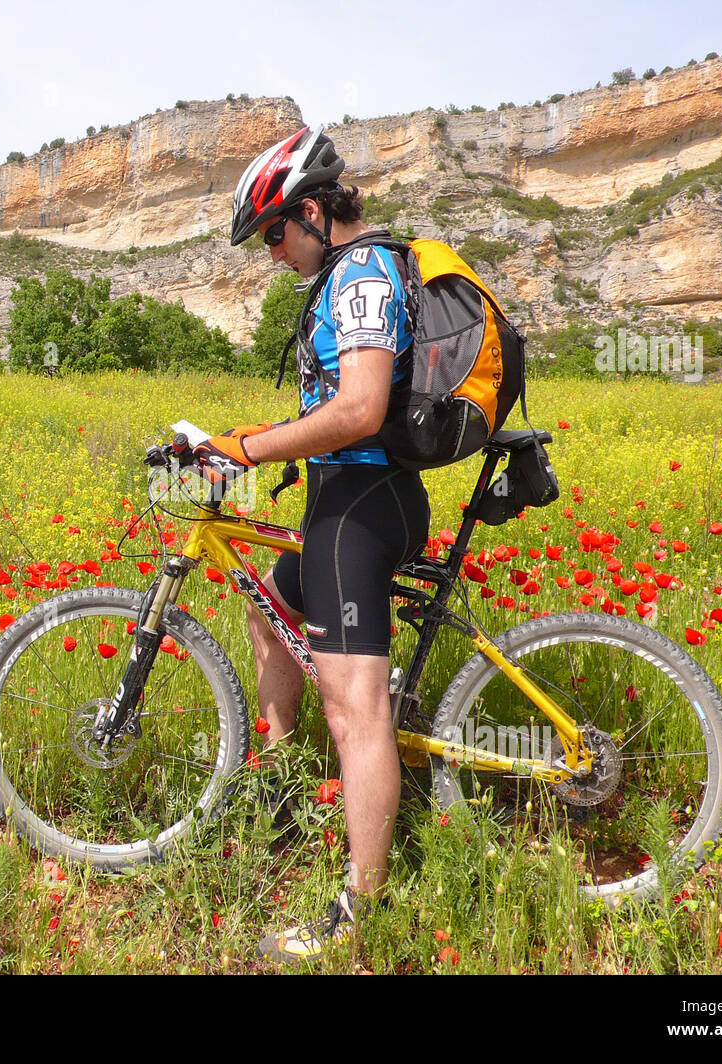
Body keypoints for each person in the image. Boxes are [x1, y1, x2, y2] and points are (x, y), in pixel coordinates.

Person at [194, 125, 431, 962]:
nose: (269, 255)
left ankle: (362, 908)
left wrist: (249, 448)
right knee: (269, 612)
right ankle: (287, 791)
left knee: (354, 709)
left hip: (362, 508)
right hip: (342, 502)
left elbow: (363, 409)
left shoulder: (361, 273)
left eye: (270, 235)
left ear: (310, 213)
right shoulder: (343, 272)